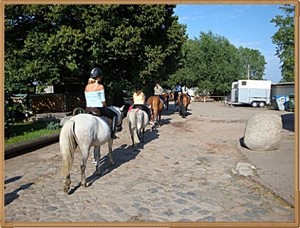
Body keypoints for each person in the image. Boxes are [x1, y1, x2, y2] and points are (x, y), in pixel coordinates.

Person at [84, 67, 118, 139]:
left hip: (87, 108)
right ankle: (112, 133)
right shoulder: (100, 86)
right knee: (115, 115)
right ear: (98, 77)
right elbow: (103, 101)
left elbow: (87, 99)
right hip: (98, 108)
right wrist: (104, 106)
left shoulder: (86, 87)